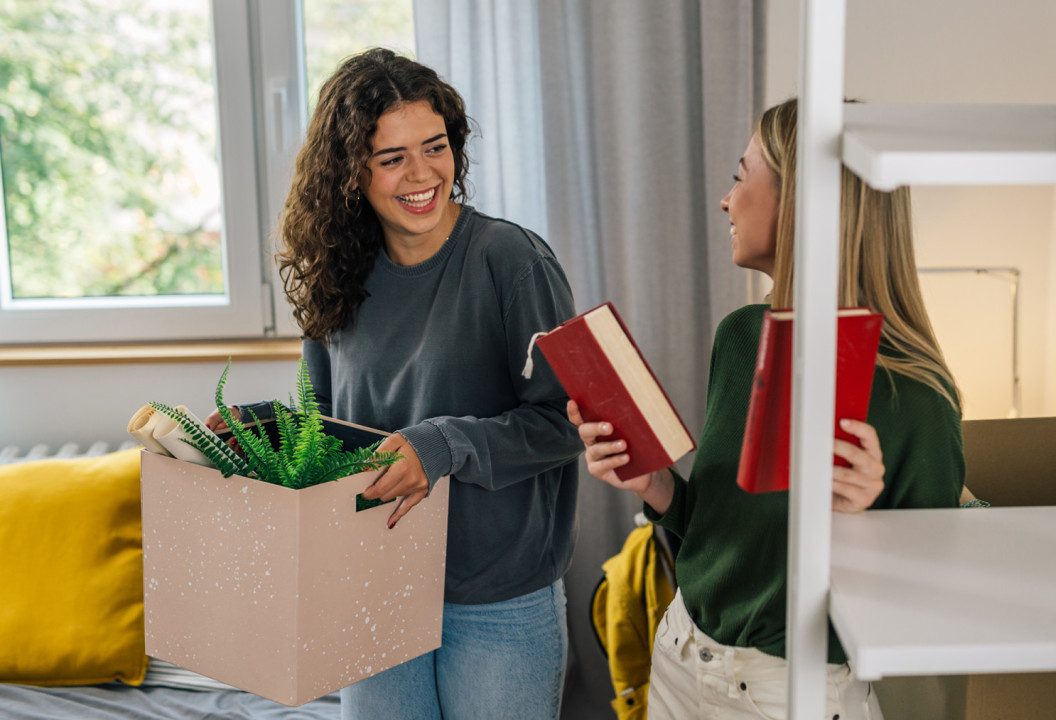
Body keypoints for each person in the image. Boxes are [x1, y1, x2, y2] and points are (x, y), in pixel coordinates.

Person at [208, 48, 581, 719]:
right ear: (352, 172)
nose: (422, 174)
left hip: (497, 594)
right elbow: (326, 428)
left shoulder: (510, 260)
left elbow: (567, 420)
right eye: (391, 158)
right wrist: (257, 426)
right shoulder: (338, 276)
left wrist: (440, 445)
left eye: (434, 147)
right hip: (371, 578)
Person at [569, 98, 966, 720]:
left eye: (740, 175)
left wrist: (863, 525)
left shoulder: (915, 400)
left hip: (789, 694)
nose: (726, 201)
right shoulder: (741, 337)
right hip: (678, 654)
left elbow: (926, 606)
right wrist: (654, 484)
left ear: (804, 201)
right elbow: (713, 527)